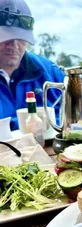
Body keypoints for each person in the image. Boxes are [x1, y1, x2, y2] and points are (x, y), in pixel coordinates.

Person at [0, 0, 64, 131]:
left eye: (21, 38)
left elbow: (76, 119)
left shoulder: (51, 73)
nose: (14, 46)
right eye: (6, 38)